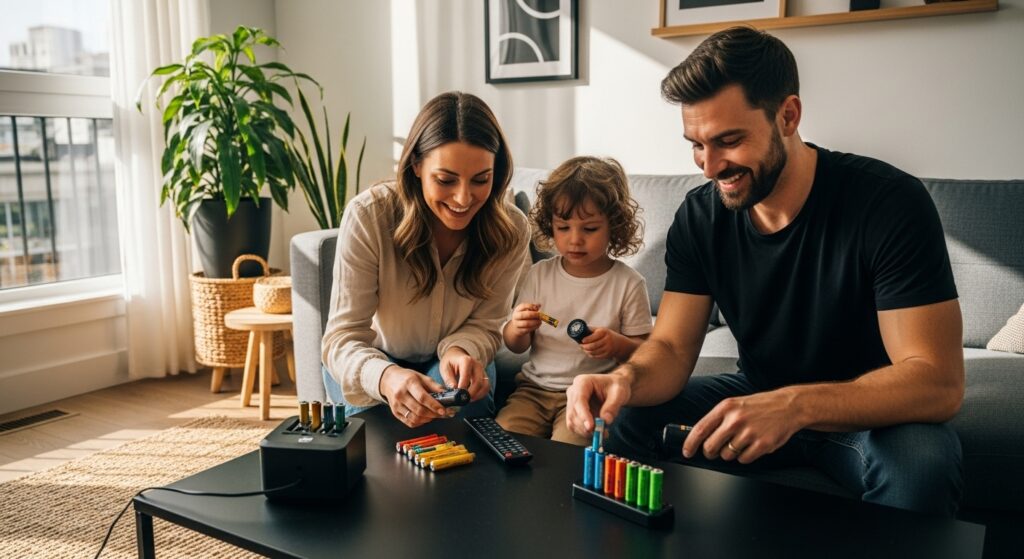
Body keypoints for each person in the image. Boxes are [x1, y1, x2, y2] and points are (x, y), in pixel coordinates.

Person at [564, 27, 965, 516]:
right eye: (695, 144)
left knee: (923, 466)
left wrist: (794, 406)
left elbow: (937, 381)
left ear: (788, 116)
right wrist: (624, 379)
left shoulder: (888, 204)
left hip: (869, 415)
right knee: (627, 418)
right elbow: (669, 347)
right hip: (754, 393)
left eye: (728, 141)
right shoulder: (700, 216)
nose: (709, 166)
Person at [321, 91, 531, 428]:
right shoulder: (369, 215)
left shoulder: (512, 229)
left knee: (460, 431)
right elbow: (342, 339)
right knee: (377, 446)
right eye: (445, 180)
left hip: (454, 359)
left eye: (481, 180)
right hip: (375, 360)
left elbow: (488, 324)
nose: (464, 199)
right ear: (416, 165)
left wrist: (459, 352)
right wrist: (386, 377)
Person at [497, 156, 652, 445]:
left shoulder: (628, 284)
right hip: (533, 391)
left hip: (588, 396)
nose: (575, 240)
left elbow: (645, 354)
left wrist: (616, 344)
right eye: (563, 228)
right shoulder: (540, 274)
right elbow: (515, 345)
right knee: (504, 441)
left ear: (614, 227)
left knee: (570, 451)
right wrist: (517, 327)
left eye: (589, 229)